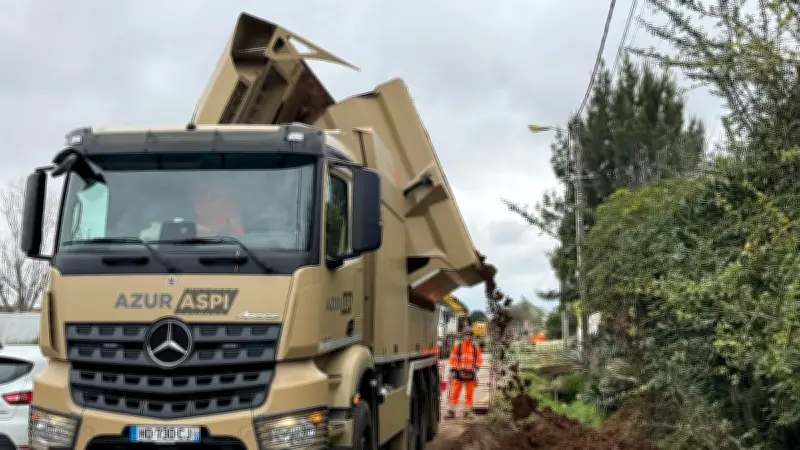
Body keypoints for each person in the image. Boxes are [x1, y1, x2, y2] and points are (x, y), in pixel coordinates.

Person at [446, 325, 483, 419]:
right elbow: (452, 359)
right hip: (459, 373)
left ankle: (468, 412)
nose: (467, 337)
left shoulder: (475, 348)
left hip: (471, 374)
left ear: (471, 336)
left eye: (469, 335)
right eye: (466, 335)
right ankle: (451, 411)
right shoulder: (457, 347)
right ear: (463, 336)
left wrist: (476, 368)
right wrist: (453, 370)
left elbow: (479, 360)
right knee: (454, 393)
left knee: (469, 394)